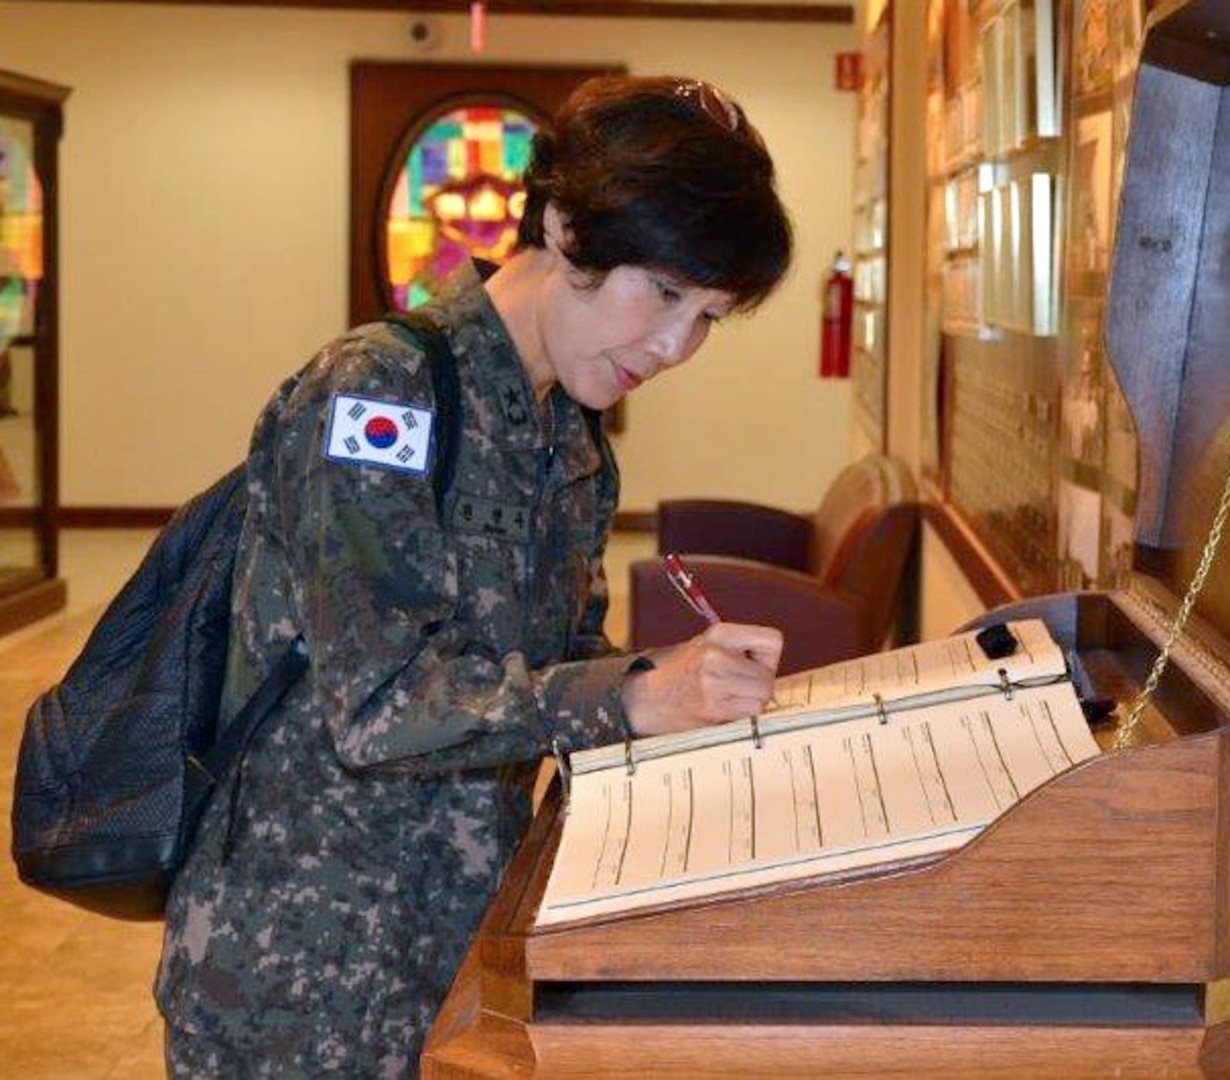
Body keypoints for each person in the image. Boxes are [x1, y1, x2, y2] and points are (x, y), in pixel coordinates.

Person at [156, 73, 793, 1076]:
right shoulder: (379, 397)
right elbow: (379, 708)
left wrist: (676, 702)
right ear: (565, 227)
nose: (676, 346)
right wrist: (630, 698)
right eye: (663, 292)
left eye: (708, 315)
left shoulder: (571, 439)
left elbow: (552, 663)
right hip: (303, 967)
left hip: (458, 941)